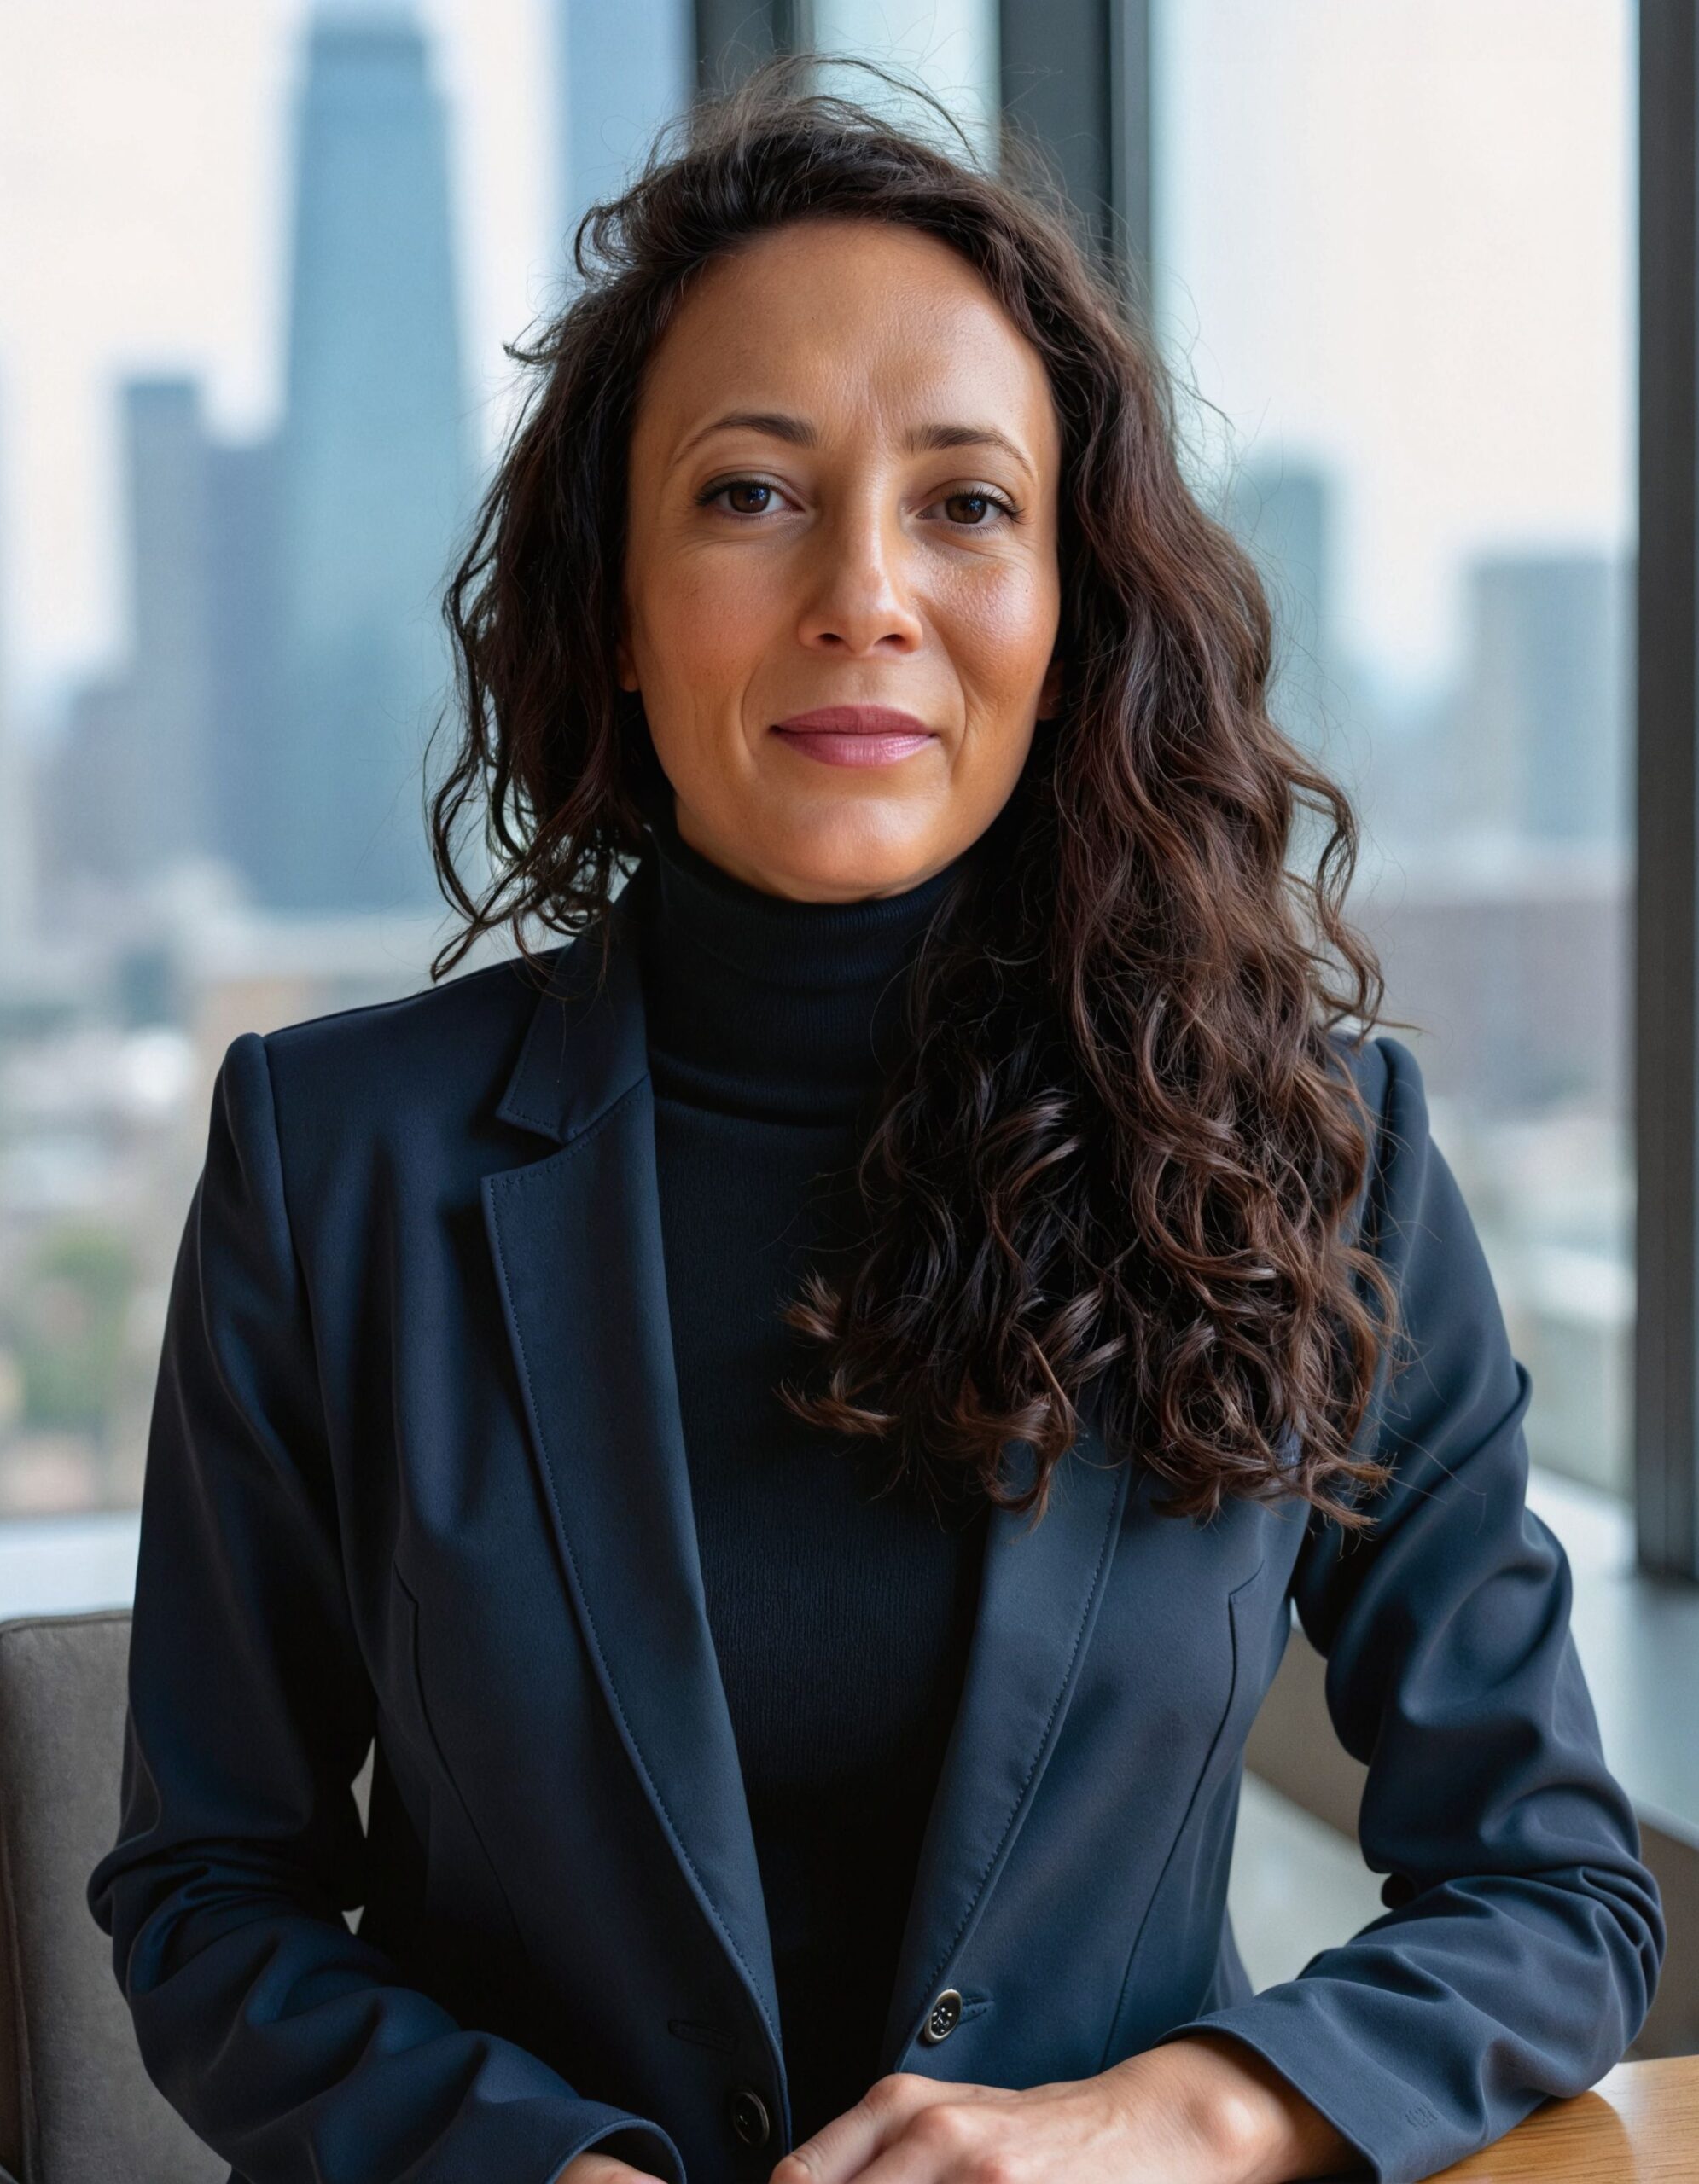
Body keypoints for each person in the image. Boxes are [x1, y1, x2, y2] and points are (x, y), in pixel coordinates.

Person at [86, 61, 1662, 2184]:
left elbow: (1553, 1893)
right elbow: (210, 1894)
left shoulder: (1315, 1153)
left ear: (1065, 606)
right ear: (618, 609)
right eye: (749, 493)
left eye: (964, 501)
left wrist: (1174, 2121)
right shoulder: (329, 1157)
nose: (864, 593)